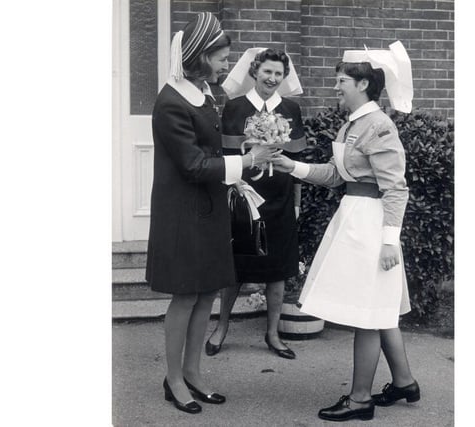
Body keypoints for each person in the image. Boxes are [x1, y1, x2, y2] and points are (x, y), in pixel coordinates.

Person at [271, 41, 420, 422]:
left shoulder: (379, 126)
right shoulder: (353, 123)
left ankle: (359, 400)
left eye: (341, 81)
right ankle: (403, 381)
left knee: (367, 313)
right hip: (354, 216)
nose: (336, 87)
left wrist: (389, 242)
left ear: (364, 85)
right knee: (379, 308)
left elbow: (395, 188)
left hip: (371, 226)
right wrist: (292, 167)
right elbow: (339, 175)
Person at [145, 13, 276, 415]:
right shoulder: (171, 101)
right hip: (183, 214)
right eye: (221, 57)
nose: (226, 65)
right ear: (200, 56)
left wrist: (247, 163)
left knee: (206, 295)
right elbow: (192, 165)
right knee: (185, 296)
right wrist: (244, 162)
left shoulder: (203, 93)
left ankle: (194, 373)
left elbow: (212, 156)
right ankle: (173, 379)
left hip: (208, 209)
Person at [204, 48, 307, 359]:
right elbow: (226, 157)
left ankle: (273, 334)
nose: (272, 79)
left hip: (281, 198)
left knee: (278, 269)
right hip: (244, 196)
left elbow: (299, 158)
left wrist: (298, 203)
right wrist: (232, 194)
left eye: (278, 73)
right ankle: (221, 328)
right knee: (236, 267)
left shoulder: (291, 109)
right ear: (254, 73)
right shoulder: (234, 108)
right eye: (267, 72)